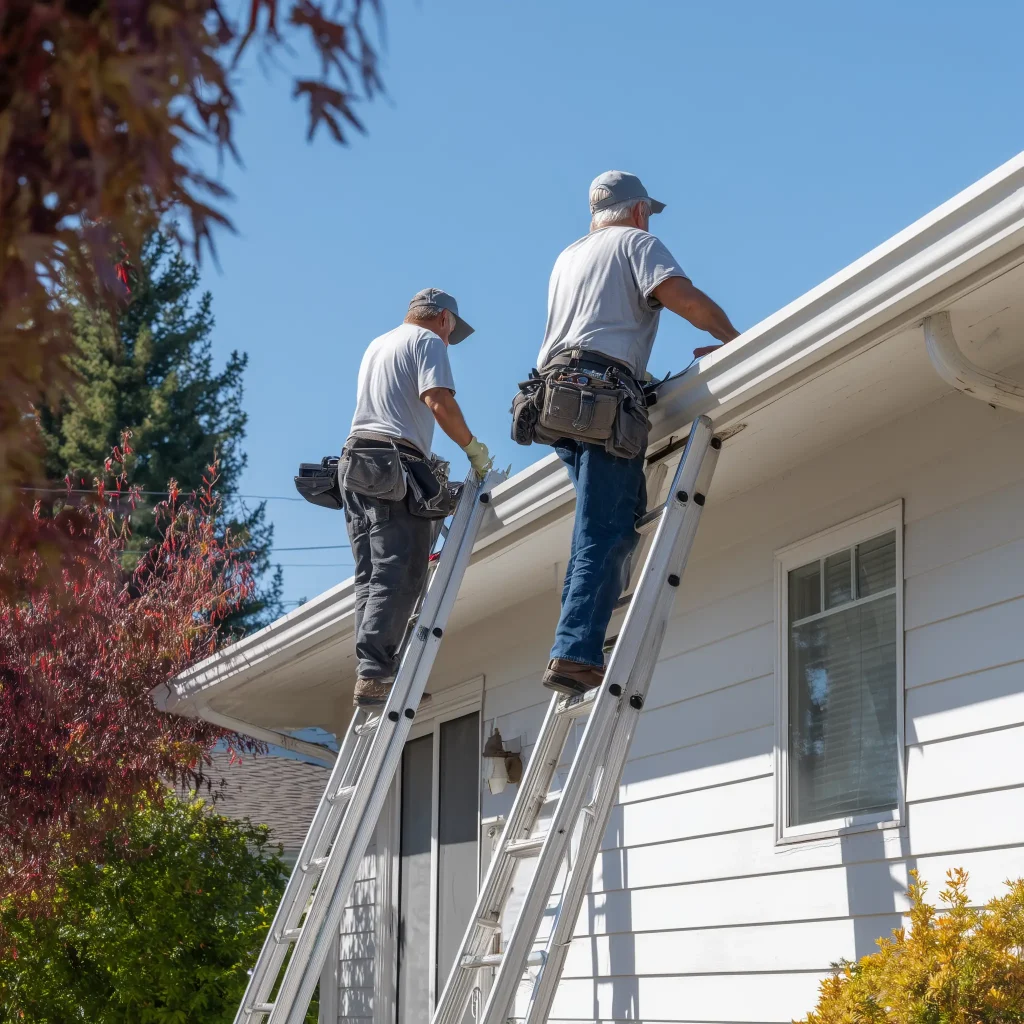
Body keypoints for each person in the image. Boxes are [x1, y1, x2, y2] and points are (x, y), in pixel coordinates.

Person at [538, 171, 740, 695]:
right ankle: (574, 651)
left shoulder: (569, 257)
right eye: (646, 211)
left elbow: (589, 329)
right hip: (600, 394)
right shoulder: (636, 242)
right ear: (637, 211)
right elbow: (685, 299)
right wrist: (736, 341)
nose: (647, 219)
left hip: (556, 398)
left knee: (610, 523)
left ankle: (575, 642)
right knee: (604, 530)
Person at [344, 288, 493, 707]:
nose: (449, 340)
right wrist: (472, 448)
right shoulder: (426, 341)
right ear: (444, 319)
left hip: (356, 461)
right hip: (392, 464)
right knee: (400, 571)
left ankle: (373, 669)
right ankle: (375, 673)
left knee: (370, 576)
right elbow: (437, 401)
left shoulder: (379, 343)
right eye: (451, 331)